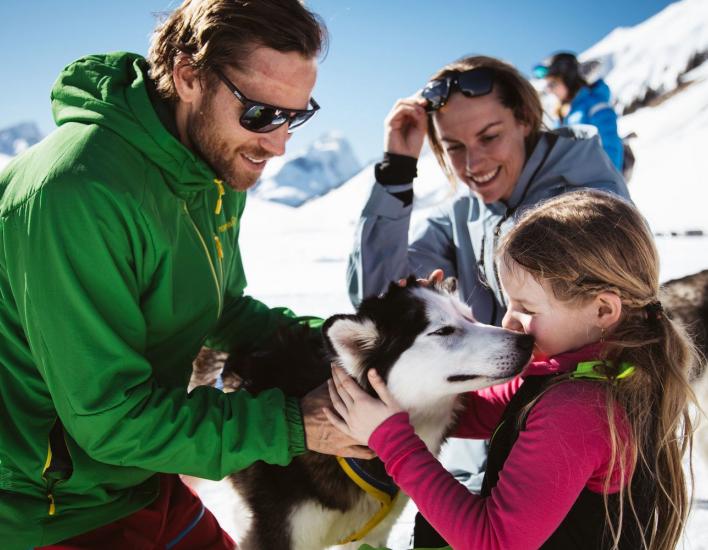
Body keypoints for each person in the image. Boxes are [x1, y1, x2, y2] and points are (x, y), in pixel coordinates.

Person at [0, 1, 372, 548]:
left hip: (136, 476)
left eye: (296, 115)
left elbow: (223, 310)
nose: (279, 143)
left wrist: (357, 347)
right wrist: (295, 425)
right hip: (44, 507)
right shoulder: (77, 194)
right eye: (261, 114)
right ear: (188, 76)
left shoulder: (210, 168)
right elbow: (110, 417)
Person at [347, 54, 629, 546]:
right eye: (453, 147)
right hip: (499, 440)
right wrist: (396, 170)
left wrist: (396, 441)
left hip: (567, 456)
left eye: (489, 137)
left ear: (525, 119)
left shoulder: (585, 207)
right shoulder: (465, 214)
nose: (472, 164)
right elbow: (379, 302)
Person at [330, 189, 698, 550]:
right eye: (509, 303)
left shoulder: (577, 411)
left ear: (602, 311)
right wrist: (419, 337)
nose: (510, 321)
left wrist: (394, 444)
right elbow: (468, 410)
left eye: (527, 308)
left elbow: (494, 542)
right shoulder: (600, 373)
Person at [533, 51, 624, 171]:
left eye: (553, 83)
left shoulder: (594, 104)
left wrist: (606, 184)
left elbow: (611, 146)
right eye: (548, 85)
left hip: (597, 181)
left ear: (568, 79)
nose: (550, 90)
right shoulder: (561, 114)